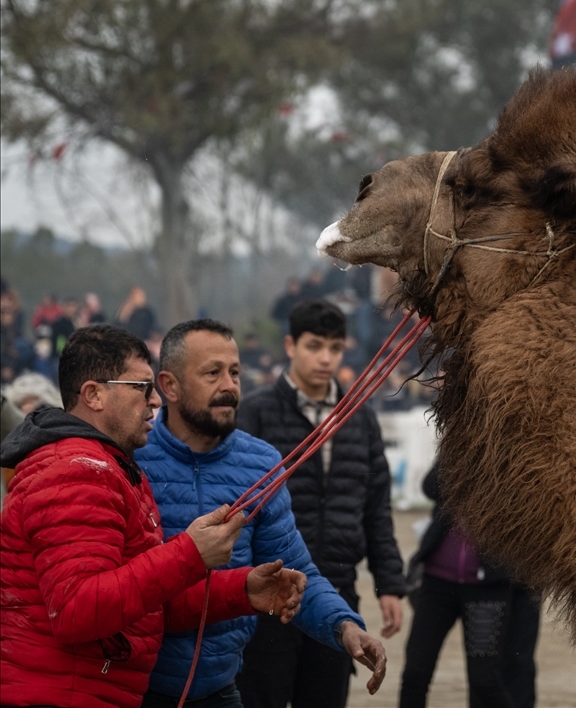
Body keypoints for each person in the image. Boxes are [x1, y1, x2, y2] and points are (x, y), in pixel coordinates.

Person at [0, 324, 305, 708]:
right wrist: (191, 553)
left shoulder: (111, 466)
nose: (156, 402)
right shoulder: (75, 470)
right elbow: (78, 610)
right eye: (141, 388)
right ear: (93, 394)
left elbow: (142, 605)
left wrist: (242, 590)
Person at [135, 318, 387, 707]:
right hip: (137, 689)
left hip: (223, 687)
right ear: (168, 386)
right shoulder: (132, 459)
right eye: (212, 373)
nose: (229, 386)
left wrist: (345, 626)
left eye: (234, 372)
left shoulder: (261, 464)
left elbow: (295, 569)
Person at [235, 299, 405, 708]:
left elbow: (376, 505)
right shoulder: (255, 413)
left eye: (334, 347)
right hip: (270, 595)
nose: (325, 358)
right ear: (291, 345)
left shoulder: (358, 418)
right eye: (315, 346)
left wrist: (390, 583)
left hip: (337, 592)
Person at [399, 463, 515, 708]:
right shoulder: (459, 449)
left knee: (484, 680)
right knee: (414, 674)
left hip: (488, 588)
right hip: (436, 584)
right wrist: (458, 452)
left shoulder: (511, 457)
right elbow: (430, 486)